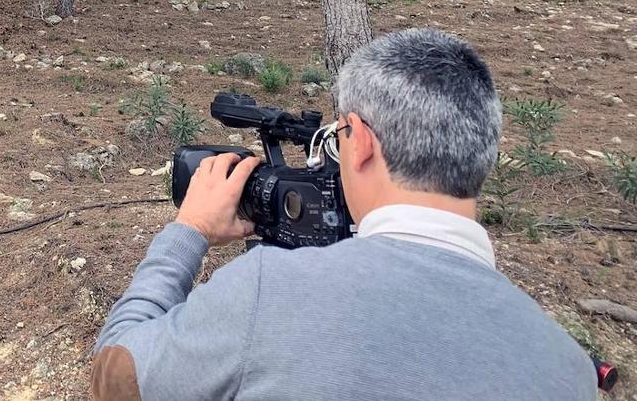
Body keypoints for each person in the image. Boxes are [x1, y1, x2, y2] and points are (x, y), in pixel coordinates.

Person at [92, 28, 596, 401]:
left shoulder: (268, 291)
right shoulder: (569, 369)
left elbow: (113, 375)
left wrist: (190, 230)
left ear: (361, 145)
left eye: (335, 139)